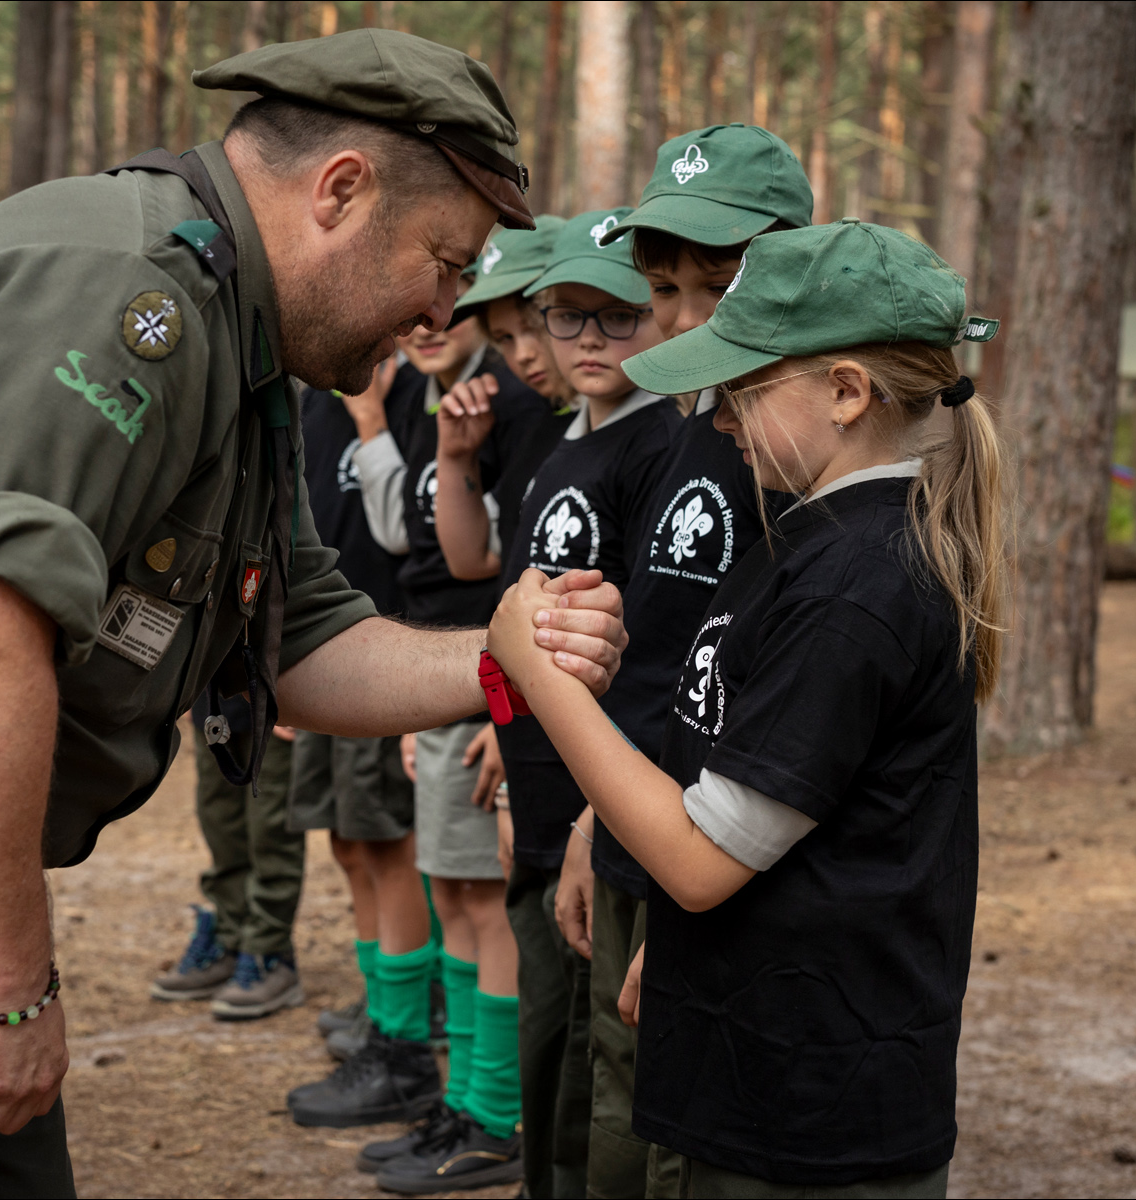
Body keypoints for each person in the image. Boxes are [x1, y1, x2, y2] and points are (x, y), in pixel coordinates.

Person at [0, 30, 630, 1198]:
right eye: (444, 260)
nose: (446, 306)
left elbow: (299, 636)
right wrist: (9, 992)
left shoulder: (239, 348)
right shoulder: (130, 297)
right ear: (341, 191)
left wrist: (502, 656)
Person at [485, 220, 1005, 1200]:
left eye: (743, 387)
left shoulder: (857, 587)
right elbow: (752, 802)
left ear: (847, 392)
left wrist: (542, 679)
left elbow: (697, 860)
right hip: (757, 1058)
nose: (715, 416)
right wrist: (688, 961)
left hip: (810, 1120)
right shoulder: (805, 541)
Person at [561, 123, 813, 1199]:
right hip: (635, 829)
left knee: (680, 1135)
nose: (684, 316)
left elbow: (776, 714)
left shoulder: (791, 460)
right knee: (614, 1101)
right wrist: (593, 822)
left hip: (712, 866)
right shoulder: (672, 433)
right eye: (664, 289)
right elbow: (660, 660)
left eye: (719, 284)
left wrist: (691, 912)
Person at [285, 272, 547, 1143]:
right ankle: (426, 1061)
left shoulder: (497, 405)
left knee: (448, 879)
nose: (437, 324)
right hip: (403, 665)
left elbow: (455, 556)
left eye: (474, 313)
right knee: (379, 852)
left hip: (435, 665)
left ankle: (451, 1081)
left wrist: (507, 706)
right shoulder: (424, 403)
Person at [354, 218, 579, 1195]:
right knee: (455, 893)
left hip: (499, 702)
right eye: (516, 329)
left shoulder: (545, 420)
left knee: (485, 904)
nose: (529, 350)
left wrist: (500, 708)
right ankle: (466, 1100)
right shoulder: (491, 414)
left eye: (533, 326)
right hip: (468, 683)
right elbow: (477, 557)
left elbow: (522, 591)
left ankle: (492, 1113)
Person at [464, 209, 681, 1200]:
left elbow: (650, 658)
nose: (589, 339)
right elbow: (514, 619)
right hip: (539, 790)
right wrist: (509, 750)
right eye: (566, 316)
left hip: (601, 805)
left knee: (592, 1065)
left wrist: (596, 809)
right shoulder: (559, 448)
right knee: (548, 1040)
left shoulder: (661, 450)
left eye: (616, 316)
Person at [285, 369, 426, 1056]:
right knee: (346, 841)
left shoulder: (416, 397)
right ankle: (379, 1000)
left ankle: (402, 1026)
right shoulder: (314, 400)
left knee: (387, 842)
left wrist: (372, 422)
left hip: (386, 654)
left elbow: (408, 537)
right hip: (323, 654)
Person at [148, 694, 305, 1022]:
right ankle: (229, 941)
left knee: (270, 831)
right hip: (213, 700)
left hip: (276, 698)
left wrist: (296, 703)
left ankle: (270, 952)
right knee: (221, 825)